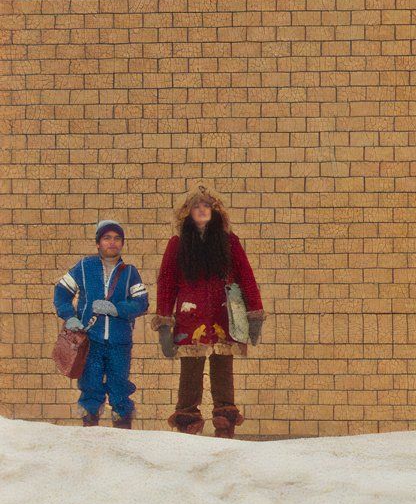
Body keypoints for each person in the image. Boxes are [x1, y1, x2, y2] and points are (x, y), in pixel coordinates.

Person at [154, 186, 265, 437]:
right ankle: (188, 418)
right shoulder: (178, 244)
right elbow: (167, 283)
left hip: (223, 316)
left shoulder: (229, 242)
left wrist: (255, 312)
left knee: (223, 366)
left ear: (215, 212)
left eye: (207, 206)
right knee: (191, 369)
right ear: (188, 213)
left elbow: (247, 277)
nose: (202, 210)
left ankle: (224, 417)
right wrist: (164, 322)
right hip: (189, 317)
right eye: (197, 206)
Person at [53, 220, 150, 428]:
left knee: (119, 386)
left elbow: (141, 303)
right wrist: (69, 316)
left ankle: (123, 432)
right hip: (90, 341)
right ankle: (89, 434)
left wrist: (117, 309)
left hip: (120, 342)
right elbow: (61, 292)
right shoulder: (84, 267)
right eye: (107, 238)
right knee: (90, 386)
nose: (112, 243)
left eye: (117, 239)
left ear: (122, 244)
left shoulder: (130, 272)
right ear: (98, 243)